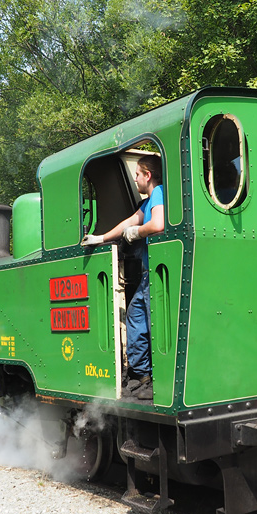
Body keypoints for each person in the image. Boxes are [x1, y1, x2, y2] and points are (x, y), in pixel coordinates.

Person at [81, 155, 164, 400]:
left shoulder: (159, 193)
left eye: (137, 174)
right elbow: (128, 221)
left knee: (152, 323)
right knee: (136, 314)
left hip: (157, 275)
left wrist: (137, 232)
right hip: (149, 275)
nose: (135, 178)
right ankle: (143, 375)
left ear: (147, 175)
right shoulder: (148, 202)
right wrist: (101, 238)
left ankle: (156, 380)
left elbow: (158, 224)